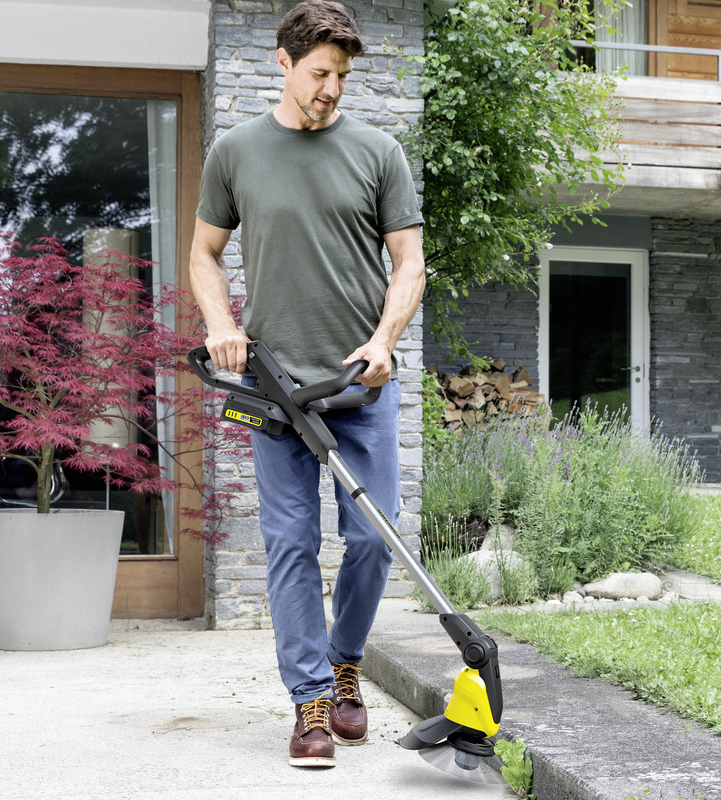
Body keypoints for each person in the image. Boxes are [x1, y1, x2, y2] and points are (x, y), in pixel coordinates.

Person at [188, 0, 425, 769]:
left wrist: (385, 341)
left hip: (360, 384)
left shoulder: (378, 151)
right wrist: (221, 321)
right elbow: (203, 254)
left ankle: (346, 662)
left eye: (342, 77)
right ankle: (311, 703)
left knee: (372, 537)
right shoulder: (236, 152)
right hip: (276, 389)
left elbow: (410, 264)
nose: (332, 89)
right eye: (320, 74)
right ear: (282, 64)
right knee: (289, 542)